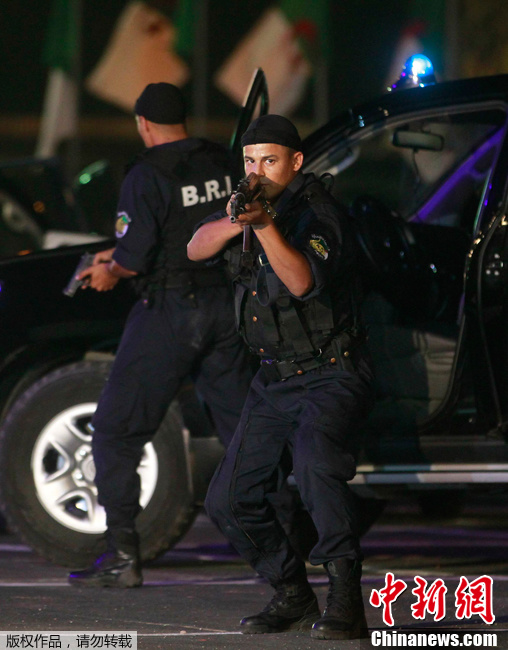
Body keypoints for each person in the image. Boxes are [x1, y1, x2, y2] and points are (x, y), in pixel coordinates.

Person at [187, 114, 375, 641]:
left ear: (295, 162)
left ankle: (345, 601)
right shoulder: (247, 205)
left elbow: (301, 282)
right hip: (273, 379)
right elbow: (195, 246)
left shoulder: (319, 213)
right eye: (250, 160)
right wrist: (239, 220)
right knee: (227, 499)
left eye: (269, 160)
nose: (257, 171)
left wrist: (266, 225)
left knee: (316, 470)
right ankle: (292, 593)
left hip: (330, 372)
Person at [67, 83, 253, 588]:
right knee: (245, 432)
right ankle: (286, 544)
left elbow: (134, 258)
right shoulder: (221, 161)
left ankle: (123, 557)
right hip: (227, 309)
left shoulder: (146, 173)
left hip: (171, 313)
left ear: (143, 123)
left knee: (116, 430)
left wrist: (109, 271)